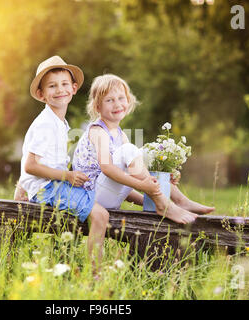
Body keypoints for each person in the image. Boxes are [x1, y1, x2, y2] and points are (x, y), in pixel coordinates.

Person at [72, 74, 215, 224]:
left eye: (121, 98)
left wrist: (159, 186)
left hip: (105, 197)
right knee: (130, 150)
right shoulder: (98, 131)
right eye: (109, 100)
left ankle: (175, 200)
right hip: (90, 199)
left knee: (145, 157)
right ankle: (166, 203)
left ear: (128, 100)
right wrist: (145, 187)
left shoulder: (120, 136)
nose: (117, 104)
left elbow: (123, 182)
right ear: (97, 107)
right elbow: (107, 169)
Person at [14, 56, 109, 274]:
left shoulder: (59, 122)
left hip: (49, 186)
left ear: (74, 88)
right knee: (101, 215)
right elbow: (30, 165)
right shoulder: (45, 124)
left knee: (101, 194)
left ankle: (67, 263)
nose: (60, 90)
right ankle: (95, 276)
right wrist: (67, 176)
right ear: (41, 94)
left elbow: (40, 162)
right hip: (47, 189)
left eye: (65, 84)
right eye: (52, 86)